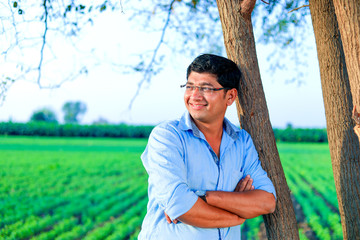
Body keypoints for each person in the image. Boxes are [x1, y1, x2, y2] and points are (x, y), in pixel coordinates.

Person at [138, 54, 276, 240]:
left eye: (206, 88)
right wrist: (237, 213)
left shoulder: (241, 142)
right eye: (190, 86)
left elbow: (266, 201)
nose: (194, 96)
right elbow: (180, 206)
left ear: (230, 96)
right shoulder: (167, 137)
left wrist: (206, 198)